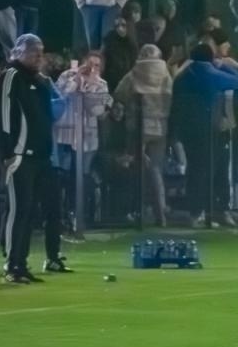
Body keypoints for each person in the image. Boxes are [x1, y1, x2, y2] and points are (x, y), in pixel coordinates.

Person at [0, 34, 64, 283]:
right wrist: (7, 152)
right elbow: (2, 114)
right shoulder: (10, 76)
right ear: (18, 52)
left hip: (41, 157)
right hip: (21, 155)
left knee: (30, 212)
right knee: (18, 210)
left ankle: (21, 264)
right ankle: (12, 265)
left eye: (41, 52)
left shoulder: (39, 81)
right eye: (34, 52)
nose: (39, 57)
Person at [169, 41, 238, 228]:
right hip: (208, 130)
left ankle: (196, 212)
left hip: (186, 130)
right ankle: (206, 211)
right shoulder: (210, 73)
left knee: (195, 169)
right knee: (209, 170)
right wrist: (226, 65)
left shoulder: (183, 76)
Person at [113, 44, 172, 227]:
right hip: (160, 126)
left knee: (133, 166)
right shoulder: (166, 74)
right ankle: (160, 212)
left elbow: (119, 94)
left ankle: (132, 210)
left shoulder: (134, 73)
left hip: (138, 127)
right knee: (155, 169)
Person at [54, 52, 110, 229]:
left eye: (97, 66)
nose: (92, 68)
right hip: (65, 136)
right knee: (64, 174)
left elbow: (97, 111)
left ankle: (80, 214)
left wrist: (89, 87)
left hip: (88, 139)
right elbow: (58, 96)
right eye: (89, 64)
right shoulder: (66, 76)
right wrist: (76, 81)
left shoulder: (101, 85)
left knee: (82, 176)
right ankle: (61, 215)